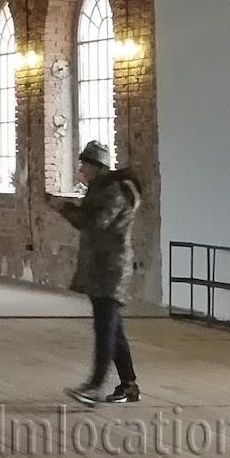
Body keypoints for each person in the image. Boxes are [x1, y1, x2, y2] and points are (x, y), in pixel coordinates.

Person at [51, 140, 142, 406]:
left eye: (85, 165)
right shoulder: (100, 189)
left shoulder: (114, 192)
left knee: (105, 329)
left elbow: (95, 222)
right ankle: (128, 385)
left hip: (111, 270)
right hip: (100, 268)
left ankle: (95, 386)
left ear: (98, 166)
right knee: (113, 329)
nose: (81, 170)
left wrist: (63, 208)